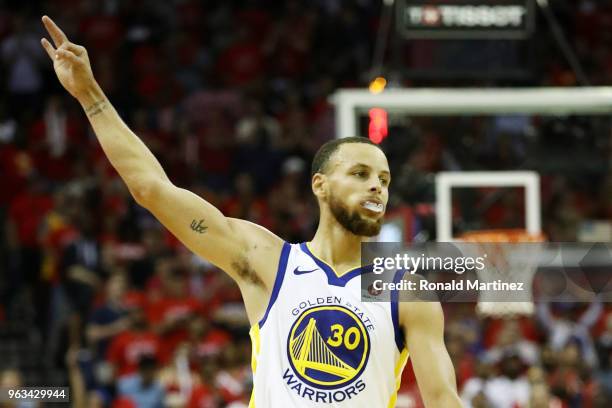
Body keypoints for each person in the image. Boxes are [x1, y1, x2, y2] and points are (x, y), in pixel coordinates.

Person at [40, 15, 462, 407]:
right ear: (320, 185)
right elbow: (151, 189)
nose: (377, 185)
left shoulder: (410, 292)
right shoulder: (267, 259)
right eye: (360, 173)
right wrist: (90, 95)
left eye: (384, 180)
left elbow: (444, 400)